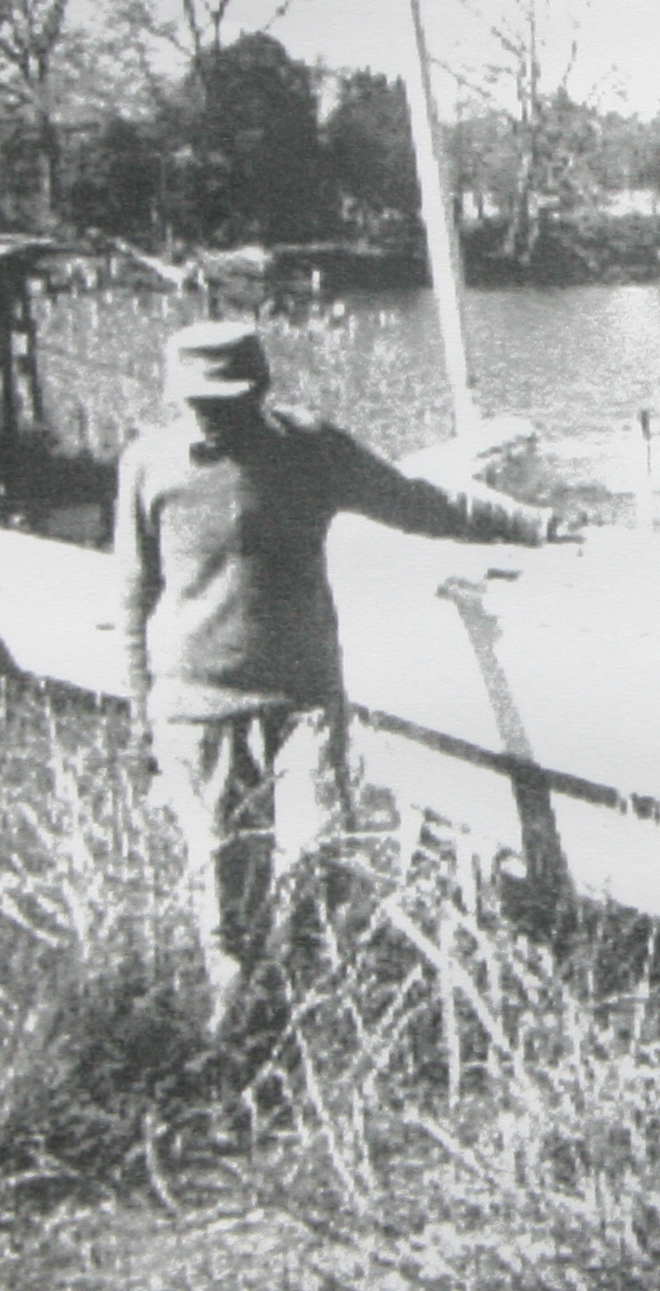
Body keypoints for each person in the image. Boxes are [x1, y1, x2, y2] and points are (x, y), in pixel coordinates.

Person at [111, 318, 572, 1034]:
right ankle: (236, 1026)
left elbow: (419, 500)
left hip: (301, 697)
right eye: (198, 400)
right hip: (193, 700)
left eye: (227, 398)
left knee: (321, 850)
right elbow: (132, 597)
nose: (212, 413)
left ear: (258, 391)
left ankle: (310, 1007)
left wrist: (531, 524)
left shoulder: (309, 451)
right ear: (176, 397)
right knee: (224, 873)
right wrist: (142, 718)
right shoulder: (147, 464)